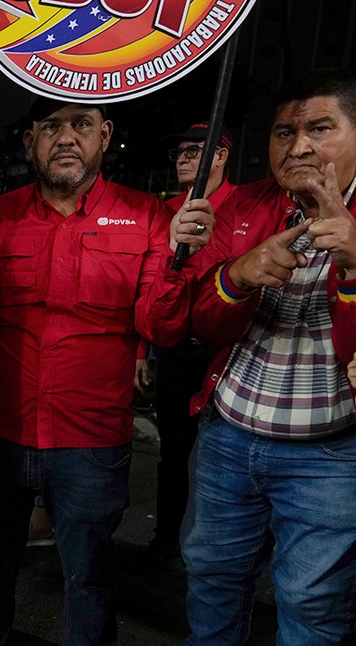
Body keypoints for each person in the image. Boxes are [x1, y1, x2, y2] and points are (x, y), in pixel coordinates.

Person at [0, 96, 213, 646]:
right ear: (30, 141)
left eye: (81, 125)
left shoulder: (150, 217)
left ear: (105, 135)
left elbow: (162, 329)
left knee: (90, 574)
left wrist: (181, 260)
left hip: (91, 441)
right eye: (51, 127)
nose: (66, 137)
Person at [181, 69, 356, 646]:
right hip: (229, 439)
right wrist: (234, 279)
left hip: (333, 457)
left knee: (312, 613)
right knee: (211, 586)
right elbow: (198, 324)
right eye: (284, 133)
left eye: (319, 128)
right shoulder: (242, 205)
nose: (299, 147)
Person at [140, 122, 237, 565]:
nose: (182, 158)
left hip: (229, 352)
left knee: (226, 457)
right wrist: (143, 351)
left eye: (193, 150)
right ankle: (166, 541)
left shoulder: (244, 204)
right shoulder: (164, 212)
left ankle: (223, 551)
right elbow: (147, 286)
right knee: (174, 451)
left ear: (220, 155)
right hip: (176, 347)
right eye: (178, 151)